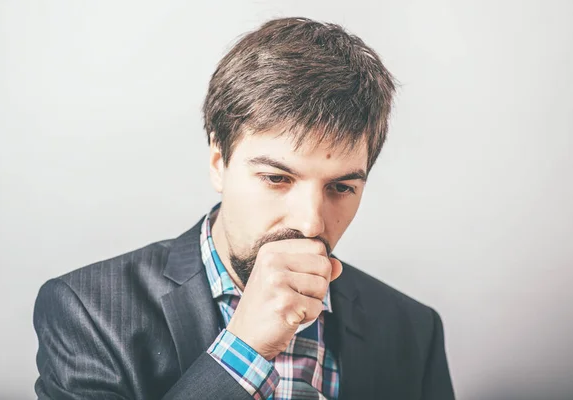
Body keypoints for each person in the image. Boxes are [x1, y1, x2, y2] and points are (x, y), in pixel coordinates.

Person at [33, 17, 455, 400]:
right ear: (220, 163)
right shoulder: (87, 311)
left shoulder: (412, 329)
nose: (310, 223)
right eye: (277, 178)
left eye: (341, 187)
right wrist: (245, 348)